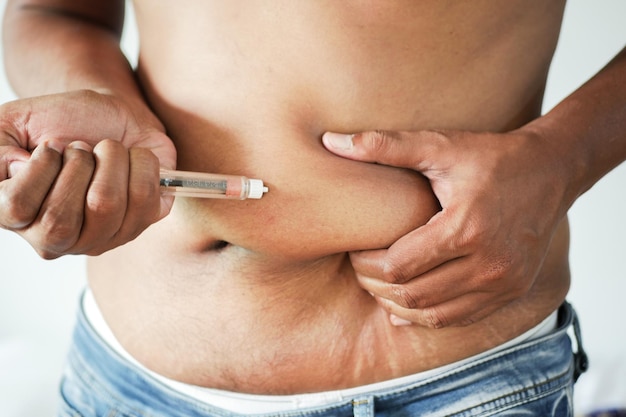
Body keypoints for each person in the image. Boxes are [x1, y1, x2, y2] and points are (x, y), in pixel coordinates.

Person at [0, 0, 623, 415]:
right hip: (122, 379)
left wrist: (561, 159)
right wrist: (98, 110)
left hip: (444, 390)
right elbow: (53, 10)